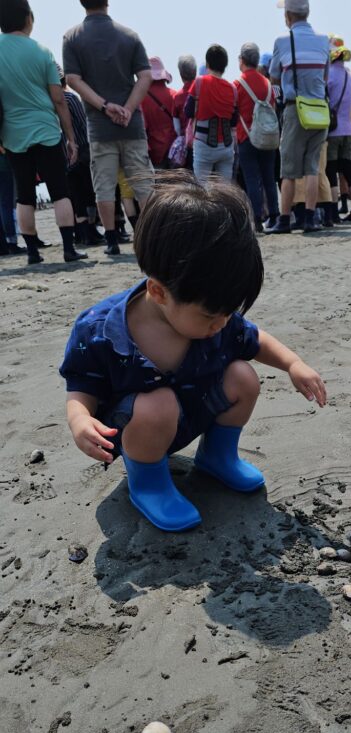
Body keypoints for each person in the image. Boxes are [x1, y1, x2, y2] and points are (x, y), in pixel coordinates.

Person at [59, 172, 327, 533]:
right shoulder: (99, 329)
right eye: (209, 316)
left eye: (227, 314)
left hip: (192, 412)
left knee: (243, 377)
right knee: (158, 403)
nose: (220, 325)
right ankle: (149, 483)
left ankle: (217, 456)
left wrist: (294, 364)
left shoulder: (216, 315)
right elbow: (81, 385)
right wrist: (79, 420)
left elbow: (255, 339)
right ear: (158, 292)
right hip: (138, 429)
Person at [63, 0, 154, 256]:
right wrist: (128, 107)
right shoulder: (129, 35)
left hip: (100, 125)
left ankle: (112, 240)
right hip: (131, 123)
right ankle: (151, 235)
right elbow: (145, 75)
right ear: (107, 2)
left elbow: (73, 79)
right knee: (143, 182)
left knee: (103, 184)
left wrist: (105, 107)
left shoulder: (72, 37)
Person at [0, 0, 87, 264]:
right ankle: (69, 249)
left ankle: (32, 253)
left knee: (24, 194)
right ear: (29, 18)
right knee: (60, 191)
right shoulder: (41, 51)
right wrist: (70, 137)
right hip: (46, 130)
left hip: (13, 134)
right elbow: (59, 99)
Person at [268, 0, 330, 234]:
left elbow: (274, 76)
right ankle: (311, 219)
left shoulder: (283, 42)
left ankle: (285, 220)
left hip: (296, 109)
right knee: (312, 167)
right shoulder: (324, 41)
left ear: (288, 16)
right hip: (320, 110)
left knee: (289, 169)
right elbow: (324, 77)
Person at [234, 41, 279, 232]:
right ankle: (275, 215)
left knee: (252, 179)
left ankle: (257, 218)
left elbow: (233, 111)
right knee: (269, 178)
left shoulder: (238, 84)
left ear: (242, 60)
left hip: (247, 136)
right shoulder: (267, 83)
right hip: (268, 136)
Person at [59, 67, 103, 246]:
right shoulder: (70, 98)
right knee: (88, 193)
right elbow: (83, 124)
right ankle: (91, 231)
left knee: (74, 196)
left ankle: (81, 233)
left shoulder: (48, 102)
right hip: (82, 151)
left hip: (62, 155)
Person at [184, 44, 237, 185]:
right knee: (224, 193)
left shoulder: (200, 82)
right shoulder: (233, 89)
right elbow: (234, 121)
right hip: (226, 147)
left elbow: (188, 111)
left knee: (201, 190)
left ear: (207, 64)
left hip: (204, 144)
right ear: (225, 66)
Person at [325, 36, 351, 223]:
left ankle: (333, 212)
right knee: (349, 171)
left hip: (333, 130)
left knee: (332, 172)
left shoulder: (329, 75)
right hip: (348, 129)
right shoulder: (348, 75)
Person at [141, 56, 176, 169]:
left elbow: (142, 128)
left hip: (153, 151)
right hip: (173, 150)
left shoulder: (140, 99)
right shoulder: (174, 95)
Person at [173, 54, 196, 167]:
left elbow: (176, 128)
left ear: (181, 74)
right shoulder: (203, 91)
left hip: (187, 144)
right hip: (204, 141)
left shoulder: (177, 96)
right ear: (195, 72)